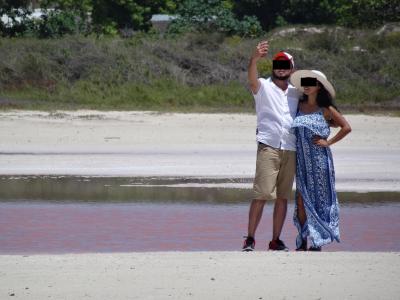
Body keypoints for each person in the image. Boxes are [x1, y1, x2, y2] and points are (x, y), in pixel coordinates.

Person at [242, 41, 299, 251]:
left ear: (292, 68)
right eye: (277, 64)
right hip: (269, 146)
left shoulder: (296, 92)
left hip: (291, 148)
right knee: (262, 194)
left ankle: (276, 240)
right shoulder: (263, 86)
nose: (281, 68)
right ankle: (250, 238)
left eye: (285, 65)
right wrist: (254, 58)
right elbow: (251, 78)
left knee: (283, 197)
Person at [289, 70, 351, 251]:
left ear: (319, 86)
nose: (306, 85)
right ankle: (302, 241)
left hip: (320, 161)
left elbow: (346, 127)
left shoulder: (326, 109)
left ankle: (318, 241)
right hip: (301, 162)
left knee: (321, 200)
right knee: (301, 200)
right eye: (304, 82)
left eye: (311, 82)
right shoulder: (297, 106)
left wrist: (328, 142)